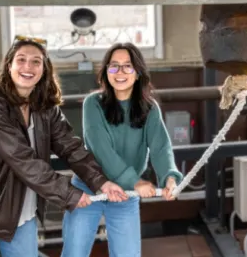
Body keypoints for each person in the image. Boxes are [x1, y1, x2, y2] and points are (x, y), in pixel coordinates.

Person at [0, 35, 126, 257]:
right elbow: (23, 160)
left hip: (19, 211)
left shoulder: (45, 107)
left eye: (36, 61)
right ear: (9, 65)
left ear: (44, 69)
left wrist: (102, 182)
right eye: (21, 60)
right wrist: (68, 194)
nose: (28, 67)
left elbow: (70, 147)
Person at [61, 42, 184, 257]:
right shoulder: (93, 103)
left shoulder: (150, 108)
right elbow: (101, 150)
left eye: (127, 66)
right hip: (89, 187)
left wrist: (169, 177)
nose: (120, 72)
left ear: (137, 73)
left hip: (126, 192)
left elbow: (160, 147)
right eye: (114, 66)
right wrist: (136, 181)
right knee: (74, 253)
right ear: (105, 72)